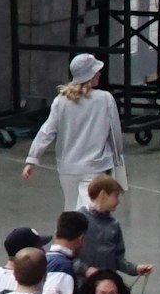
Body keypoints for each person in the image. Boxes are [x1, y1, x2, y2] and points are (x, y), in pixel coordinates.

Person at [22, 52, 127, 191]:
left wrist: (32, 159)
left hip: (68, 168)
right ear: (89, 74)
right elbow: (114, 133)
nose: (99, 73)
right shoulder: (105, 99)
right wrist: (117, 158)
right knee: (92, 209)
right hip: (96, 167)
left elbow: (47, 131)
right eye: (96, 71)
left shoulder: (61, 100)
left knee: (71, 207)